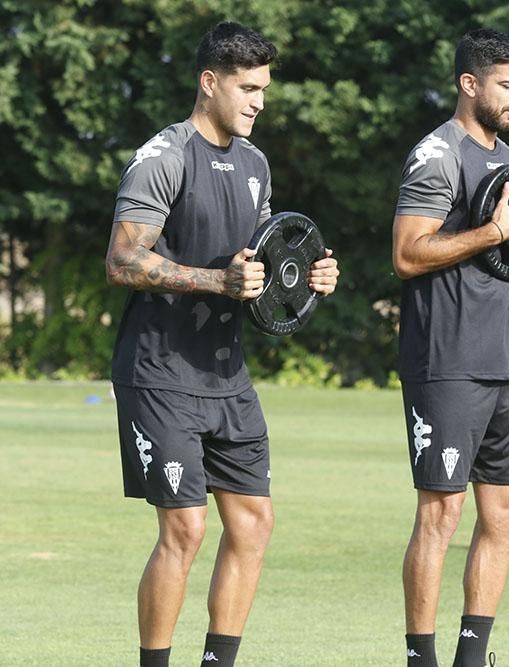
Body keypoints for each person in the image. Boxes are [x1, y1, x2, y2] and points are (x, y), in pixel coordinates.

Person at [105, 22, 339, 667]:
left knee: (254, 524)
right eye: (248, 87)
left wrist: (309, 278)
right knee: (185, 528)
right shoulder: (164, 157)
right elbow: (123, 261)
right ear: (210, 83)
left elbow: (265, 264)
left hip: (227, 377)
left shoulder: (257, 164)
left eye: (265, 88)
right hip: (158, 370)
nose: (259, 100)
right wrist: (217, 279)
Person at [391, 28, 509, 667]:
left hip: (502, 365)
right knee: (441, 514)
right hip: (446, 363)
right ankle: (420, 658)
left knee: (507, 511)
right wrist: (494, 230)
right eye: (507, 85)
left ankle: (472, 656)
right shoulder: (437, 155)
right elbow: (408, 254)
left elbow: (504, 253)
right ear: (470, 84)